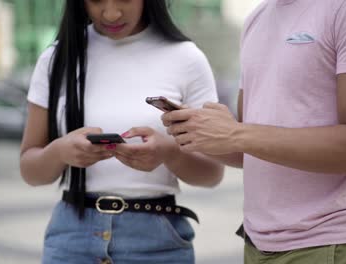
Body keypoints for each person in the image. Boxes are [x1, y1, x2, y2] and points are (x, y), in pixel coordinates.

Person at [162, 0, 346, 263]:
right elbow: (253, 149)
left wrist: (235, 133)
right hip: (258, 244)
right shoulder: (258, 18)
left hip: (334, 244)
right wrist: (198, 134)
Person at [19, 0, 223, 263]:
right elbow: (30, 171)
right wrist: (60, 152)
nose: (111, 13)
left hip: (157, 240)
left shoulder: (186, 57)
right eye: (96, 0)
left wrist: (169, 153)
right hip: (71, 239)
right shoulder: (58, 56)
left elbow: (212, 174)